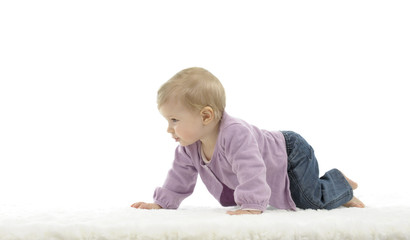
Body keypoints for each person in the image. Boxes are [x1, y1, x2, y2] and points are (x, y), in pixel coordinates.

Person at [131, 67, 365, 215]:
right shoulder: (188, 147)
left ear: (206, 116)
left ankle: (338, 182)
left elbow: (250, 169)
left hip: (290, 153)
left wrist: (252, 204)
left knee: (310, 201)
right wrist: (162, 203)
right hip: (276, 154)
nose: (169, 129)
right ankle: (330, 182)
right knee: (302, 198)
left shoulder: (235, 134)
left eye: (174, 120)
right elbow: (178, 179)